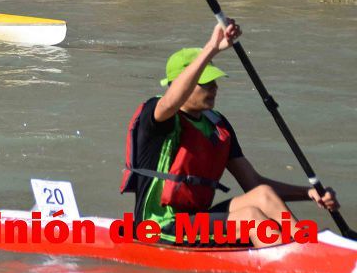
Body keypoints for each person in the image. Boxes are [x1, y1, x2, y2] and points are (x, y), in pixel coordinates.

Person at [121, 20, 340, 248]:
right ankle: (293, 263)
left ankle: (305, 246)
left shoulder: (217, 125)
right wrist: (212, 47)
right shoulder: (157, 116)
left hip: (197, 221)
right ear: (181, 83)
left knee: (262, 195)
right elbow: (171, 100)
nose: (214, 87)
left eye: (214, 81)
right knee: (251, 218)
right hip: (158, 227)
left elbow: (252, 182)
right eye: (205, 82)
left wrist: (309, 193)